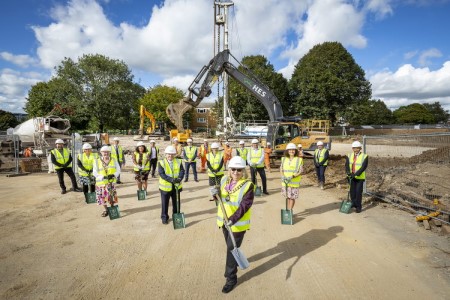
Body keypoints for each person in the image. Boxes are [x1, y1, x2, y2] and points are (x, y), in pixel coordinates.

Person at [213, 156, 254, 294]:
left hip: (236, 225)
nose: (236, 172)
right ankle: (234, 263)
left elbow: (244, 206)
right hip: (224, 222)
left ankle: (231, 278)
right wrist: (215, 194)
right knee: (230, 247)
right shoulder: (224, 180)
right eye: (233, 169)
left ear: (243, 171)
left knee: (231, 250)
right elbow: (220, 198)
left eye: (239, 170)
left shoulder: (248, 185)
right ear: (229, 170)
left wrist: (232, 219)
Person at [158, 145, 185, 224]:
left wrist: (179, 178)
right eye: (169, 154)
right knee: (165, 203)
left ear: (174, 154)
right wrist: (172, 180)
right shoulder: (161, 163)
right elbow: (162, 174)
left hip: (176, 187)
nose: (170, 156)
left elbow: (182, 171)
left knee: (176, 203)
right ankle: (164, 217)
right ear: (166, 154)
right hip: (165, 188)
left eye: (172, 154)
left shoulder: (178, 161)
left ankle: (176, 215)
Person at [93, 145, 121, 217]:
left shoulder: (114, 160)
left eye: (107, 152)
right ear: (101, 153)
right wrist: (102, 177)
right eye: (104, 152)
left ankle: (112, 208)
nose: (105, 153)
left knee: (111, 196)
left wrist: (114, 175)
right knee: (102, 198)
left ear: (109, 153)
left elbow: (118, 169)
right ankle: (106, 210)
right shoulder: (97, 161)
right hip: (101, 183)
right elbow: (95, 172)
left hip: (110, 182)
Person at [345, 141, 369, 213]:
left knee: (358, 192)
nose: (356, 149)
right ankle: (353, 203)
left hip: (359, 178)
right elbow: (346, 165)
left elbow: (363, 167)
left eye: (358, 148)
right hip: (350, 177)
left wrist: (355, 174)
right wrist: (349, 173)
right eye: (355, 148)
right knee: (352, 192)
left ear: (360, 148)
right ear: (352, 148)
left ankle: (358, 206)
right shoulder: (349, 155)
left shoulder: (365, 156)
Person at [280, 143, 303, 211]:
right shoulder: (283, 159)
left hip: (294, 182)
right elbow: (281, 169)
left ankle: (290, 211)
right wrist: (282, 176)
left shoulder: (299, 160)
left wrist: (293, 176)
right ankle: (287, 210)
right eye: (290, 150)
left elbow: (300, 171)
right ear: (287, 151)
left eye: (293, 150)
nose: (291, 151)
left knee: (292, 198)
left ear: (295, 151)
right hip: (285, 181)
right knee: (287, 197)